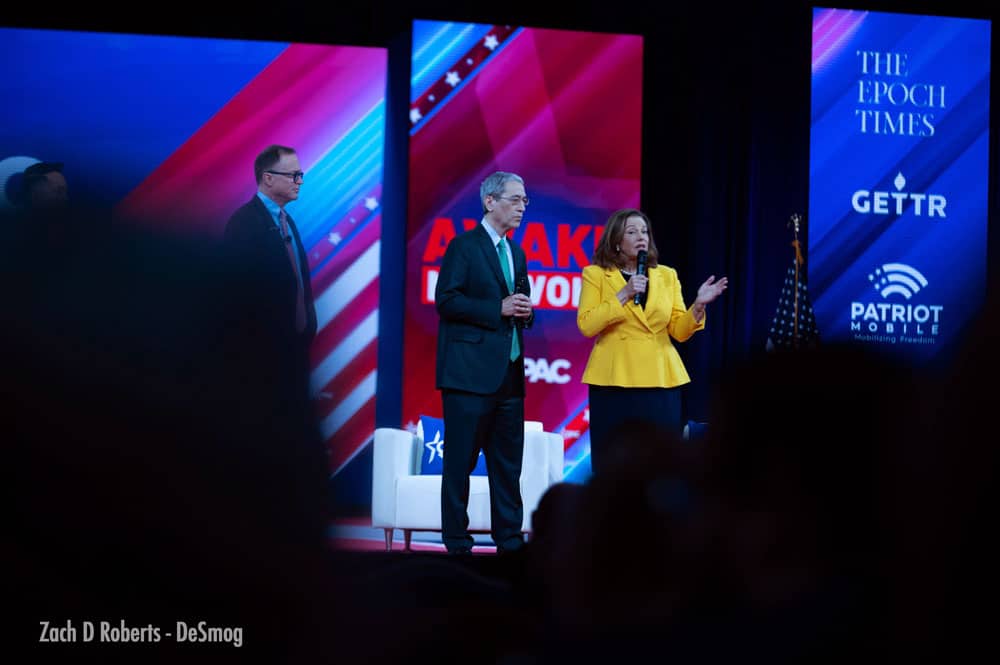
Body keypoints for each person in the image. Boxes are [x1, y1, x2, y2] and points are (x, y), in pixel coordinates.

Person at [220, 144, 328, 549]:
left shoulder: (286, 221)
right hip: (259, 361)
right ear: (268, 179)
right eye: (293, 175)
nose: (300, 181)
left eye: (300, 175)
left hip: (291, 353)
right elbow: (236, 295)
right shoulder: (245, 224)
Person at [577, 208, 727, 475]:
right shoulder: (596, 274)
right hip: (613, 380)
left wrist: (698, 306)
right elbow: (587, 325)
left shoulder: (667, 275)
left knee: (661, 462)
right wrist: (623, 294)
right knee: (612, 462)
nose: (641, 237)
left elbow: (679, 330)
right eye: (632, 232)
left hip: (660, 379)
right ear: (616, 241)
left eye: (644, 231)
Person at [435, 171, 534, 555]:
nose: (522, 207)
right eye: (515, 199)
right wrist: (498, 307)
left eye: (525, 201)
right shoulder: (464, 246)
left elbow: (518, 301)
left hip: (509, 371)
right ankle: (457, 542)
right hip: (468, 373)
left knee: (508, 465)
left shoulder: (517, 251)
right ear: (490, 202)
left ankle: (509, 540)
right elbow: (447, 300)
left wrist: (525, 312)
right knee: (459, 462)